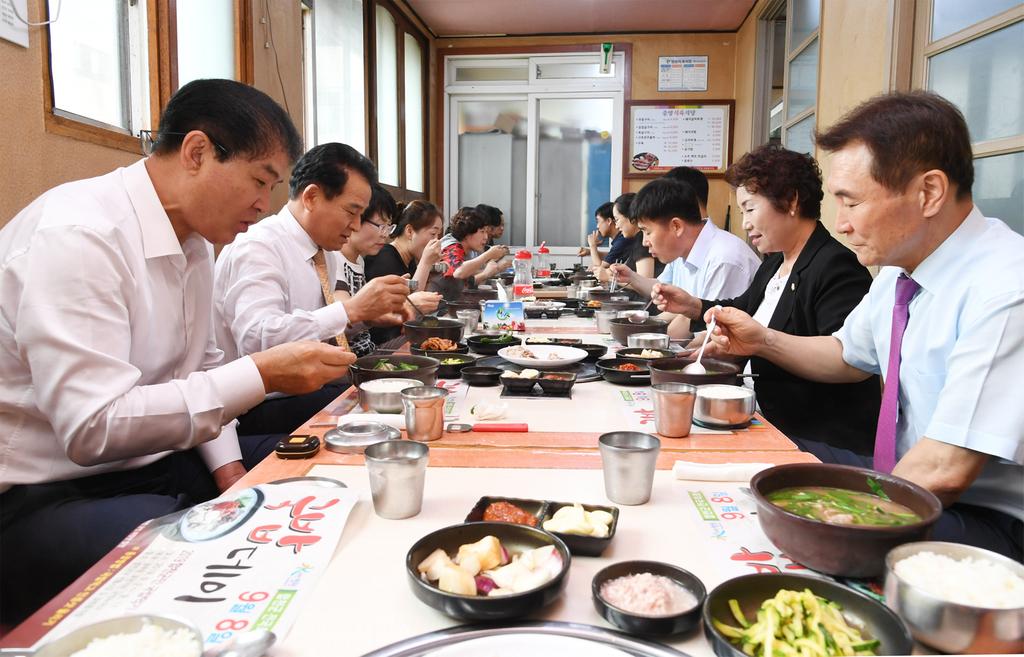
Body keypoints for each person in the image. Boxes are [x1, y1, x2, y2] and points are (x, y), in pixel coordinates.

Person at [0, 79, 357, 625]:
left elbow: (204, 369)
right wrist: (259, 374)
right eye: (260, 181)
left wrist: (230, 470)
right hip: (41, 494)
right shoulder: (80, 234)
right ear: (197, 152)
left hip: (151, 461)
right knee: (193, 545)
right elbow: (92, 426)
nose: (264, 206)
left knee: (315, 470)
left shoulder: (194, 245)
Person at [706, 91, 1023, 560]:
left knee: (789, 524)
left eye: (851, 203)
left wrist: (834, 513)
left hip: (988, 519)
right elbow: (847, 357)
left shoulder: (1005, 287)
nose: (841, 224)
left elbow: (945, 468)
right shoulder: (901, 269)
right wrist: (764, 340)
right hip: (900, 473)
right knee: (750, 459)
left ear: (929, 192)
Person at [652, 145, 879, 454]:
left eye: (750, 208)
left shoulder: (835, 266)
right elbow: (743, 310)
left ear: (790, 201)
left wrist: (762, 342)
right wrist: (692, 305)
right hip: (763, 418)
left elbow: (847, 360)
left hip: (815, 437)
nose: (745, 223)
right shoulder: (774, 263)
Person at [213, 143, 413, 435]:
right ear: (312, 197)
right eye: (352, 211)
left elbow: (317, 326)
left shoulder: (324, 251)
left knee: (404, 402)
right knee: (385, 425)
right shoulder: (259, 246)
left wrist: (365, 317)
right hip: (254, 408)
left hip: (309, 391)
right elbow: (257, 341)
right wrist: (350, 309)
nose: (356, 226)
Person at [611, 178, 760, 337]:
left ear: (676, 226)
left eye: (647, 232)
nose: (645, 242)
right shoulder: (680, 251)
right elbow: (680, 309)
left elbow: (715, 334)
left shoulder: (724, 260)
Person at [336, 184, 442, 356]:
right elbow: (342, 317)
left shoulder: (358, 261)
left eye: (388, 226)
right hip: (354, 360)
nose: (385, 234)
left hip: (367, 351)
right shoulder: (381, 257)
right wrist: (406, 303)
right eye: (380, 225)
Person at [365, 200, 445, 345]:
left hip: (400, 336)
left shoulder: (411, 260)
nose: (436, 241)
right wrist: (426, 262)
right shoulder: (384, 257)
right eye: (433, 234)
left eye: (438, 235)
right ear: (409, 231)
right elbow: (411, 305)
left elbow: (418, 304)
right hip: (382, 342)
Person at [430, 207, 509, 301]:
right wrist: (489, 255)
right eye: (482, 232)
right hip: (437, 309)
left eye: (486, 232)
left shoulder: (467, 249)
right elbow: (458, 272)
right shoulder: (451, 246)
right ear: (468, 231)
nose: (486, 237)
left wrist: (494, 270)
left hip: (450, 303)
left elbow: (467, 281)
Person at [612, 192, 664, 280]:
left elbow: (645, 280)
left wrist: (609, 278)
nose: (616, 226)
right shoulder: (637, 239)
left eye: (617, 220)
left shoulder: (641, 240)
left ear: (630, 217)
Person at [580, 201, 630, 275]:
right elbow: (611, 256)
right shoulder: (620, 239)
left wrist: (593, 246)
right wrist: (590, 251)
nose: (597, 226)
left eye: (598, 221)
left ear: (609, 221)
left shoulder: (622, 240)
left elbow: (599, 269)